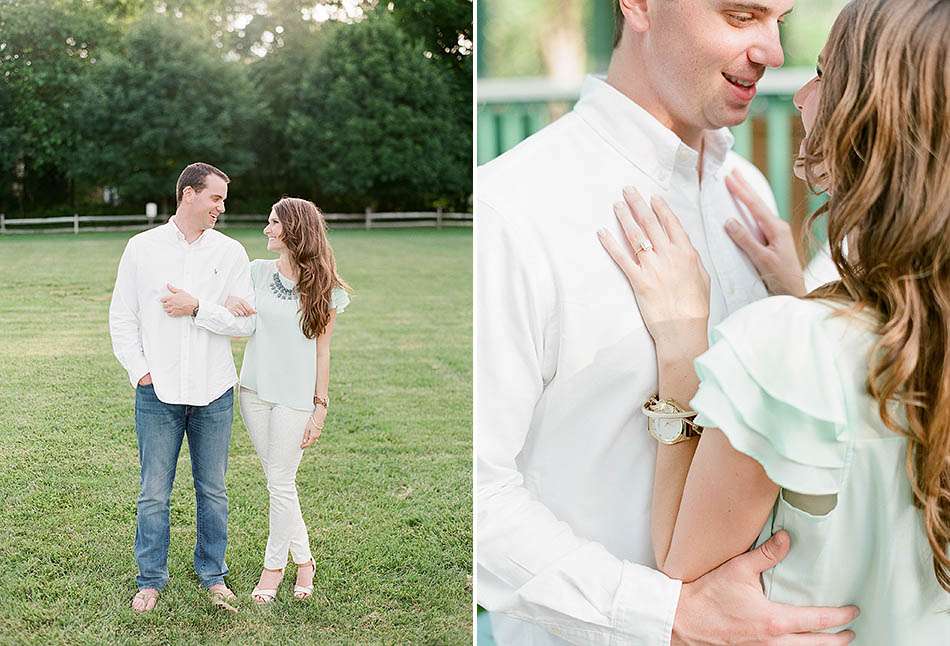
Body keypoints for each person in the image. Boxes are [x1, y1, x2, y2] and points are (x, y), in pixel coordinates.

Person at [476, 0, 859, 643]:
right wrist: (668, 615)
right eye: (741, 17)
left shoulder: (748, 193)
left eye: (779, 22)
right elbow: (477, 498)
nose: (772, 52)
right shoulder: (511, 213)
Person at [602, 0, 950, 642]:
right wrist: (805, 291)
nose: (799, 94)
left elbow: (685, 565)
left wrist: (683, 343)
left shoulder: (790, 350)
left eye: (824, 73)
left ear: (870, 118)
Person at [109, 162, 255, 613]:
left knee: (213, 489)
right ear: (188, 195)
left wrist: (198, 308)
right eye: (215, 198)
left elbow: (246, 323)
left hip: (214, 390)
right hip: (159, 392)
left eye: (223, 200)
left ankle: (213, 575)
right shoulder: (142, 248)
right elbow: (122, 317)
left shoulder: (230, 253)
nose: (221, 207)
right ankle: (150, 579)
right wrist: (142, 373)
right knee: (154, 490)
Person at [224, 197, 350, 604]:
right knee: (279, 482)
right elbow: (239, 325)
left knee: (279, 482)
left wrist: (320, 406)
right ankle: (306, 561)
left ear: (293, 229)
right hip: (254, 392)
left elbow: (323, 351)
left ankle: (273, 569)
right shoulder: (256, 273)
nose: (266, 229)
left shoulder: (325, 288)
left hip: (295, 399)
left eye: (273, 222)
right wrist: (231, 307)